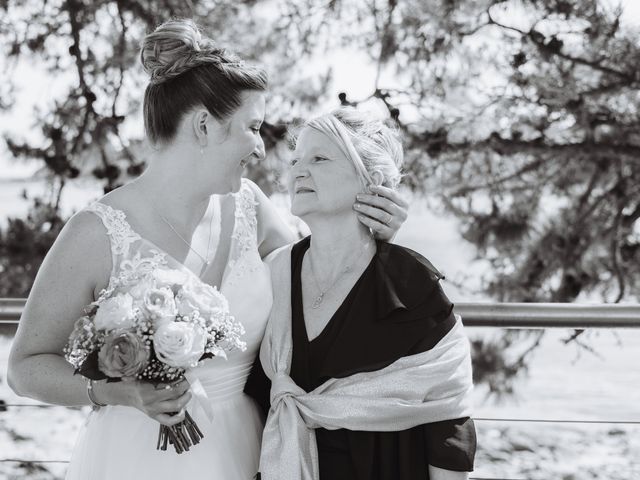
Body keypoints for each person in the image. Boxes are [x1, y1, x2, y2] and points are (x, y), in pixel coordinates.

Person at [7, 19, 408, 479]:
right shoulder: (96, 232)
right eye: (252, 127)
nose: (260, 148)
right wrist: (121, 392)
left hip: (246, 449)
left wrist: (375, 231)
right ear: (203, 125)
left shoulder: (250, 207)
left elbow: (324, 285)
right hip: (134, 459)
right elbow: (25, 367)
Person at [244, 108, 476, 480]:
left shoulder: (408, 284)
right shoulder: (275, 273)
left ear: (372, 178)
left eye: (319, 159)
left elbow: (447, 416)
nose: (299, 171)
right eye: (296, 160)